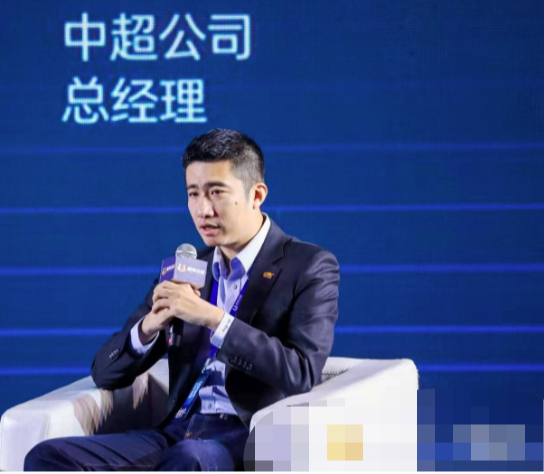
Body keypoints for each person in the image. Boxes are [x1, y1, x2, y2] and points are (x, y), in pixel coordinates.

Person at [24, 129, 340, 471]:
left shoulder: (308, 265)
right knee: (46, 456)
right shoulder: (187, 268)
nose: (203, 209)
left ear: (256, 195)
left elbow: (301, 372)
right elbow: (104, 373)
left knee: (188, 459)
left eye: (216, 192)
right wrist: (148, 328)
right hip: (177, 430)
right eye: (193, 194)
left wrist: (213, 319)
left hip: (244, 439)